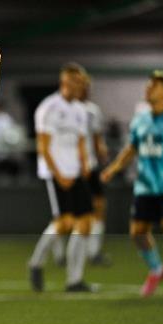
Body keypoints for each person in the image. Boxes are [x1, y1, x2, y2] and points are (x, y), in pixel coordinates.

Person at [101, 70, 163, 298]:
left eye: (154, 86)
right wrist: (113, 168)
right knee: (137, 233)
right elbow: (130, 149)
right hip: (144, 187)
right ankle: (156, 269)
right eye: (148, 85)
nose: (148, 89)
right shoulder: (140, 120)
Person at [28, 63, 93, 292]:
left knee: (85, 224)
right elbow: (43, 147)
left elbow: (82, 142)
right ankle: (36, 263)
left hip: (75, 173)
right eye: (79, 83)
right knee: (64, 224)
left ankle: (74, 280)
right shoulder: (49, 108)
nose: (82, 87)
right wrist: (58, 174)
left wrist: (85, 165)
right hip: (56, 174)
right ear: (67, 82)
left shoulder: (81, 110)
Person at [52, 73, 110, 266]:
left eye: (86, 85)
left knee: (97, 208)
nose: (85, 89)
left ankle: (93, 251)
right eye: (81, 85)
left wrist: (102, 153)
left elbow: (97, 139)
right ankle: (60, 253)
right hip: (70, 167)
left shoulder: (93, 111)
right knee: (67, 214)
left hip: (89, 166)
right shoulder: (61, 110)